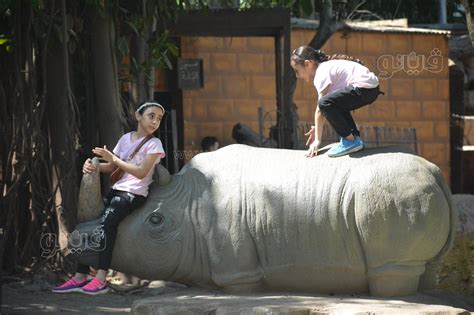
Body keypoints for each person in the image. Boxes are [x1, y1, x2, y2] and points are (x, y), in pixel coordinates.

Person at [52, 101, 166, 295]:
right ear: (138, 116)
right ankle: (80, 276)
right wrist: (93, 165)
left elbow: (140, 172)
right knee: (89, 227)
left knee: (105, 226)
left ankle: (100, 278)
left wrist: (112, 158)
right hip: (116, 191)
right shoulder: (125, 139)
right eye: (151, 116)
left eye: (159, 118)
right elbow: (113, 168)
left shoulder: (155, 144)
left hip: (133, 194)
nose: (155, 121)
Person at [290, 46, 383, 158]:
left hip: (364, 88)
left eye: (297, 70)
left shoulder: (321, 72)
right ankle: (354, 138)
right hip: (371, 89)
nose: (297, 75)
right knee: (335, 104)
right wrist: (316, 126)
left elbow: (321, 108)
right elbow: (330, 107)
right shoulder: (327, 67)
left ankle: (351, 141)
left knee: (324, 103)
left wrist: (317, 141)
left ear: (307, 64)